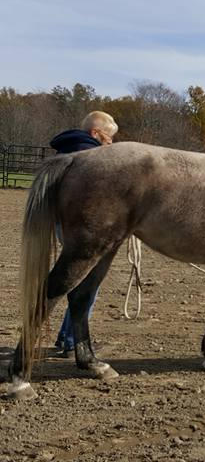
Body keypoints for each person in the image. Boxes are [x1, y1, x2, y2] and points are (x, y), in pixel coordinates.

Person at [50, 111, 118, 356]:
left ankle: (65, 337)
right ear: (95, 133)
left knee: (77, 279)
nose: (111, 143)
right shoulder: (89, 157)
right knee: (86, 282)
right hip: (80, 227)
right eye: (108, 138)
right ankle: (71, 340)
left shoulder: (67, 150)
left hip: (62, 222)